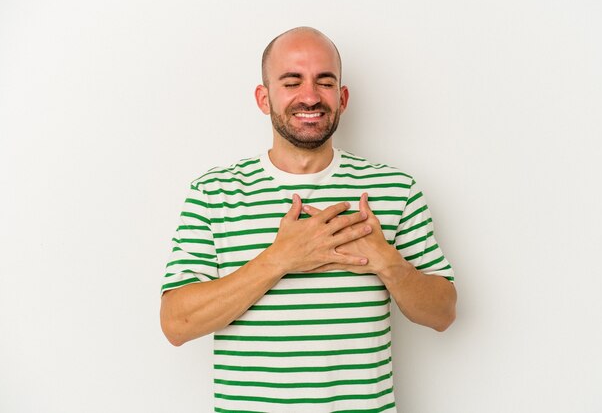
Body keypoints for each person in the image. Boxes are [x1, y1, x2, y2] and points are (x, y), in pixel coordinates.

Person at [160, 26, 456, 412]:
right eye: (291, 82)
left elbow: (443, 313)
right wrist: (281, 258)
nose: (310, 96)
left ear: (343, 97)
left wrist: (385, 261)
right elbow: (176, 324)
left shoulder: (394, 188)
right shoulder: (213, 192)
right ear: (263, 98)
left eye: (325, 81)